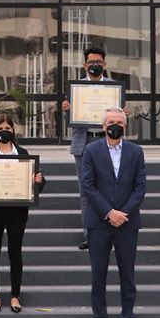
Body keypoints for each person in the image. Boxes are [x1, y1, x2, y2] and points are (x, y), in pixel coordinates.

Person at [0, 114, 46, 313]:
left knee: (15, 252)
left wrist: (39, 180)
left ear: (13, 131)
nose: (5, 131)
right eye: (0, 128)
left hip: (17, 210)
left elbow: (35, 187)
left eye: (8, 128)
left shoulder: (23, 152)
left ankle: (15, 295)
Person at [80, 107, 146, 318]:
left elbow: (140, 188)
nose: (114, 125)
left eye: (119, 121)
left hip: (127, 223)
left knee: (127, 274)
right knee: (98, 274)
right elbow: (87, 186)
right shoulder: (91, 150)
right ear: (103, 126)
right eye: (110, 122)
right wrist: (109, 213)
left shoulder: (136, 151)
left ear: (125, 125)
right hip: (99, 222)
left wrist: (122, 214)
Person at [63, 45, 115, 251]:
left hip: (107, 143)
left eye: (98, 62)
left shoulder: (114, 88)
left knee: (109, 188)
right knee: (86, 191)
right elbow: (72, 121)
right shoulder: (76, 87)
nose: (95, 65)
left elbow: (118, 119)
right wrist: (67, 111)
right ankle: (90, 235)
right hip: (84, 143)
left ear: (105, 64)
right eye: (91, 62)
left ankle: (109, 234)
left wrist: (122, 113)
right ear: (85, 65)